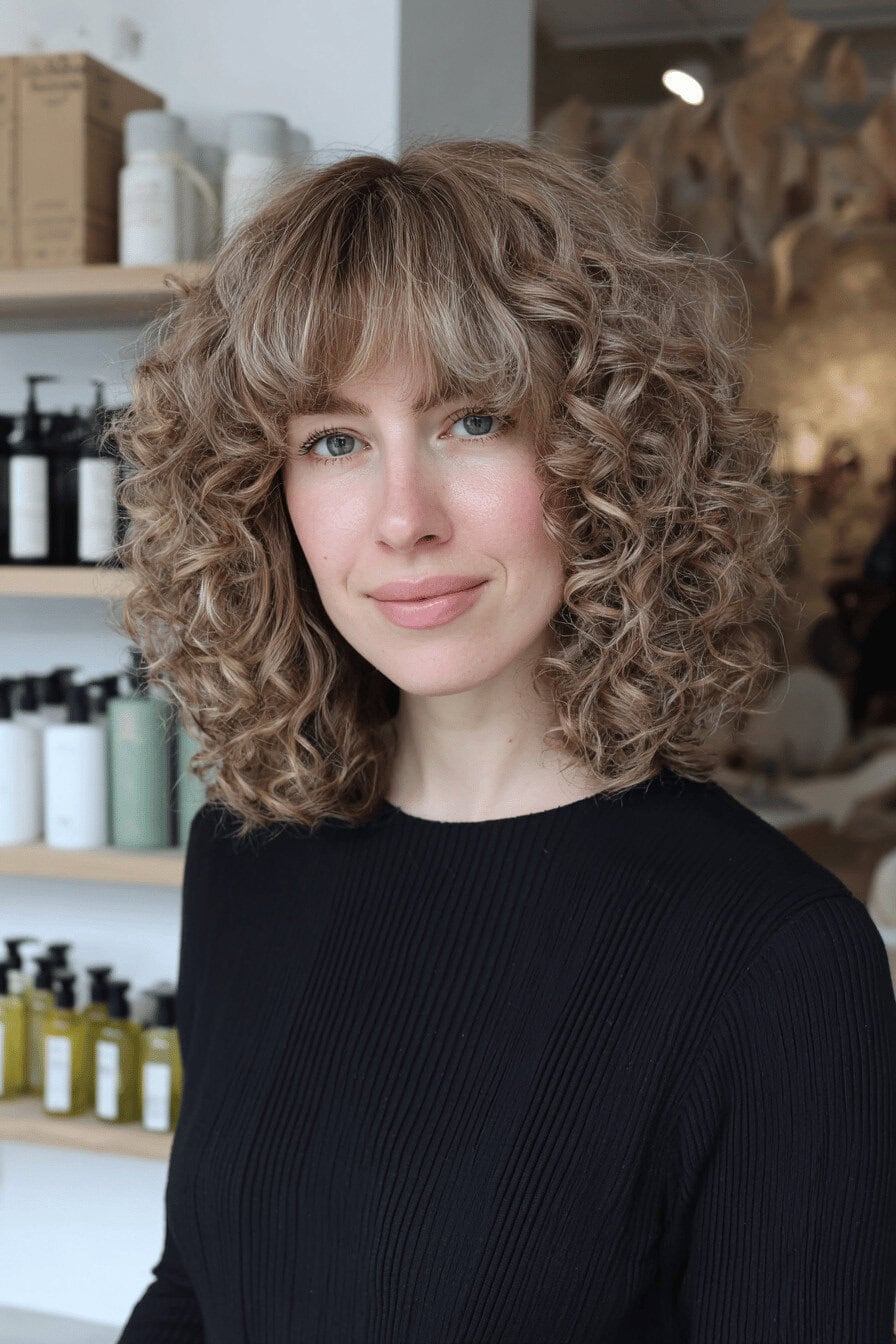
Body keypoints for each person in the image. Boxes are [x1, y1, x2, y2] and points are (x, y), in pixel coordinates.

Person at [112, 138, 896, 1342]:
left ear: (612, 457)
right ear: (262, 496)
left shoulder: (778, 960)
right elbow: (195, 1288)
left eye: (472, 420)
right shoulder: (247, 849)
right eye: (333, 440)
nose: (403, 519)